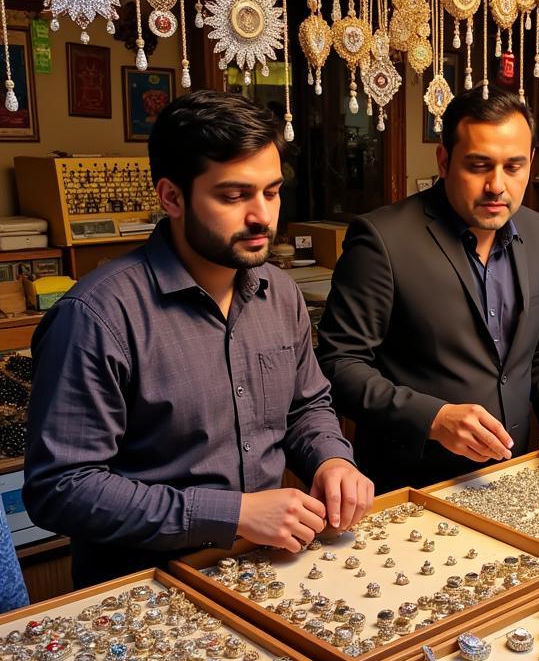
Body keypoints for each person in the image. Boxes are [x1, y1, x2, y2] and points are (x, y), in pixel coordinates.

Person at [24, 90, 373, 588]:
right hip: (143, 592)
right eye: (234, 196)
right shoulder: (96, 317)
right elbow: (61, 488)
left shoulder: (279, 293)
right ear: (172, 197)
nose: (261, 217)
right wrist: (230, 514)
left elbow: (306, 406)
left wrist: (332, 458)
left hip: (265, 570)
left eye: (271, 192)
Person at [317, 85, 539, 491]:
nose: (497, 186)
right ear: (444, 161)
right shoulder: (382, 239)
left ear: (530, 162)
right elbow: (339, 365)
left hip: (514, 473)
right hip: (410, 484)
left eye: (513, 168)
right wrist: (434, 419)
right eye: (479, 166)